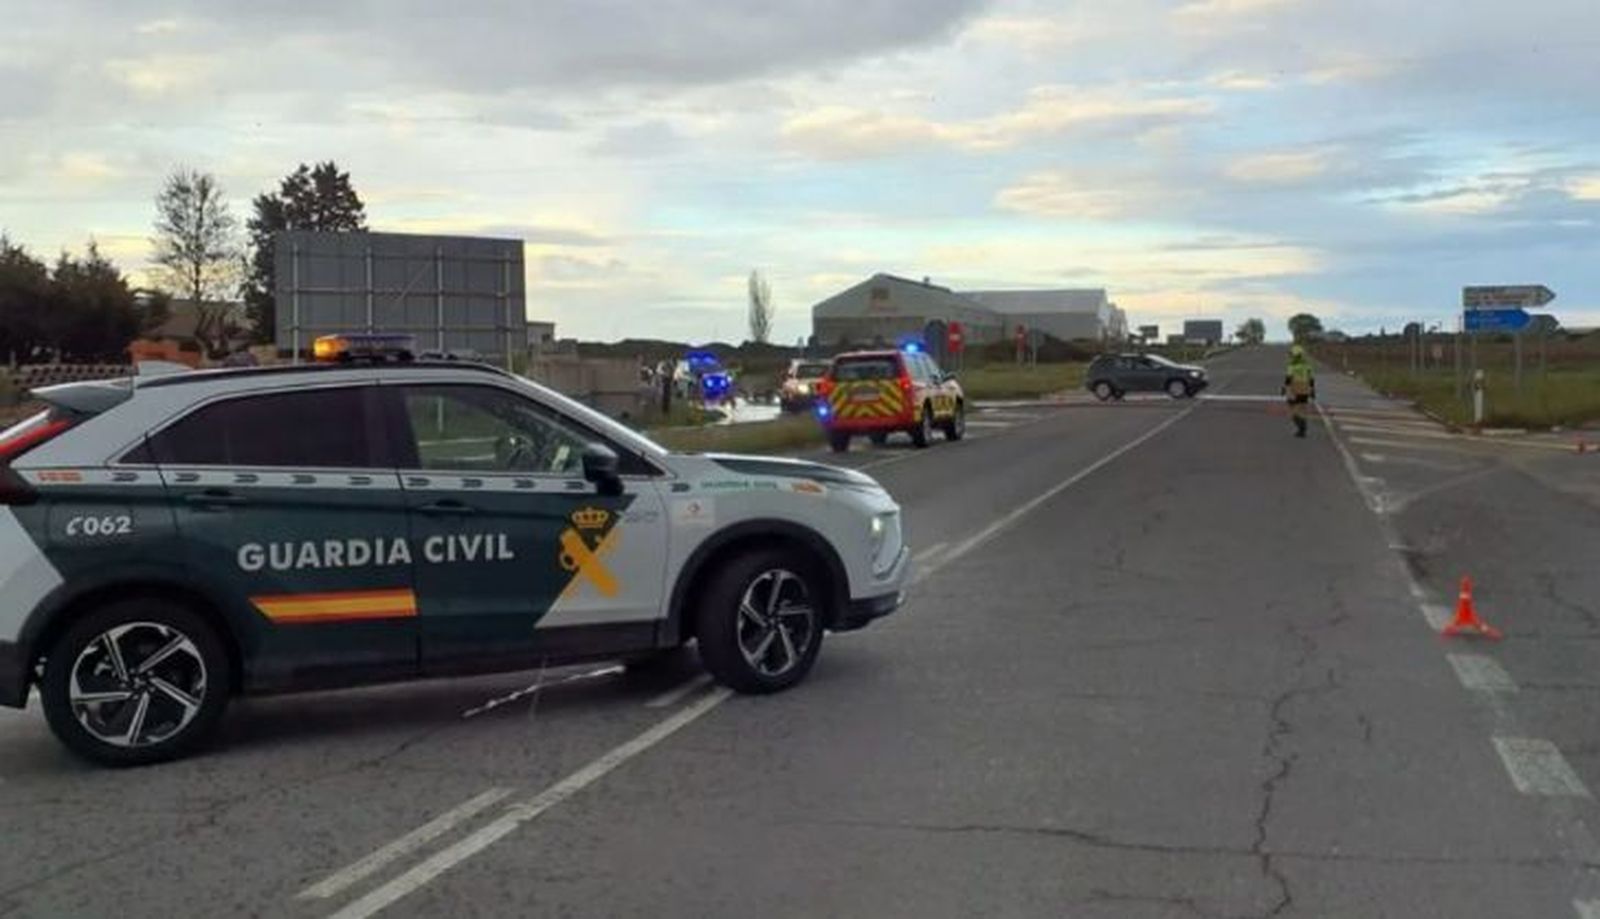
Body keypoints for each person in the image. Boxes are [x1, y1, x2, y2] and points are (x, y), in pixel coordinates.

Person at [1282, 344, 1316, 438]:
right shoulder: (1307, 365)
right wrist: (1312, 390)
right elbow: (1311, 379)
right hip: (1305, 388)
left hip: (1295, 388)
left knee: (1292, 409)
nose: (1290, 355)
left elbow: (1288, 379)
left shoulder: (1292, 365)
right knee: (1302, 409)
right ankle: (1303, 428)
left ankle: (1301, 427)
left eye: (1292, 354)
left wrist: (1284, 388)